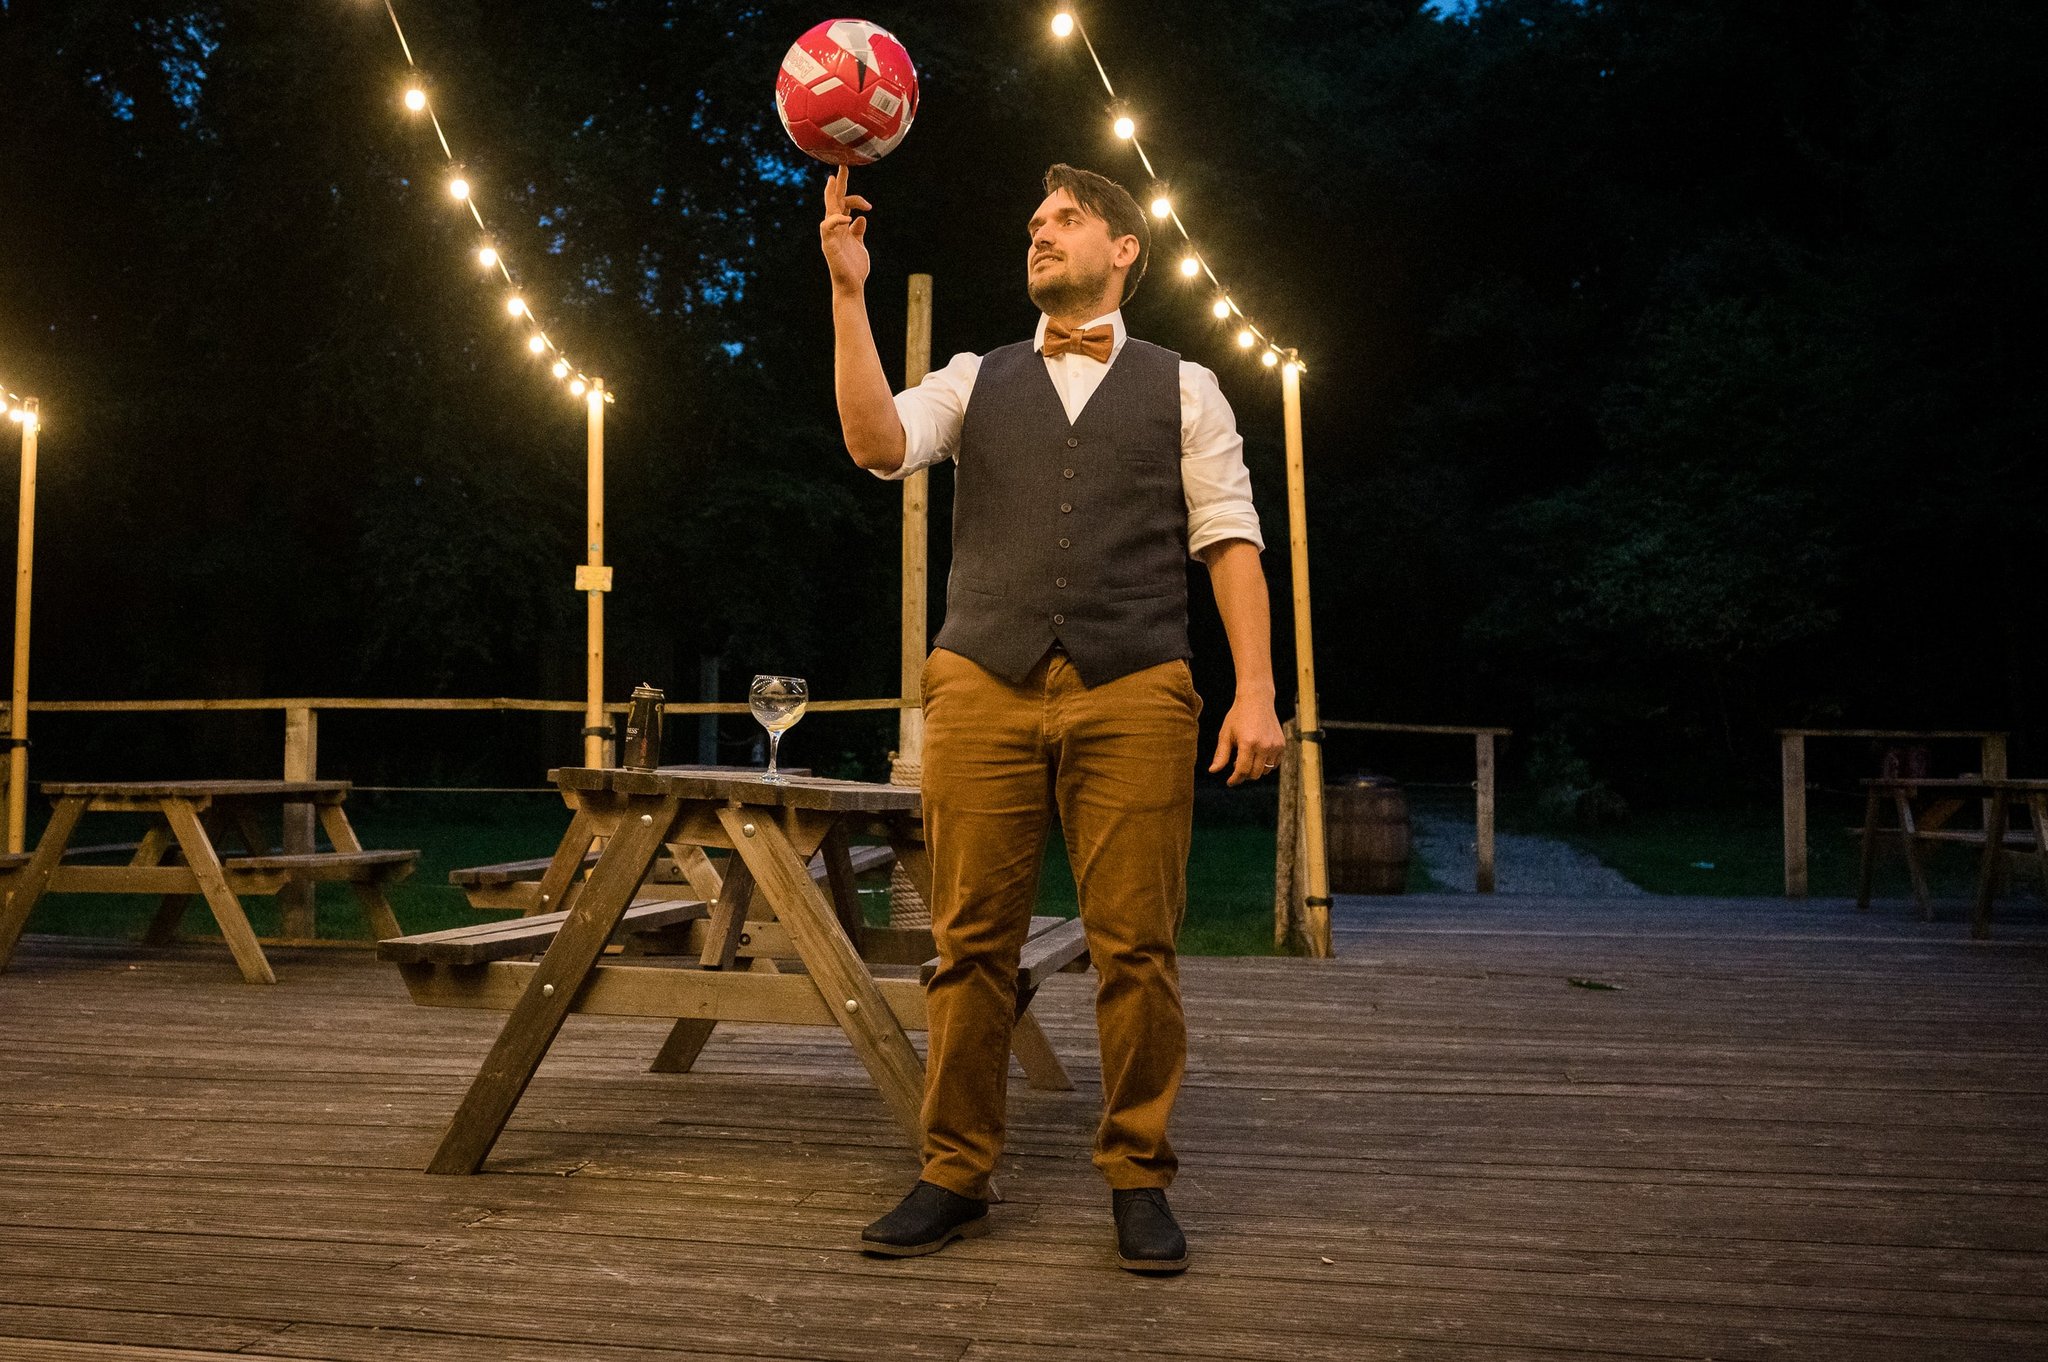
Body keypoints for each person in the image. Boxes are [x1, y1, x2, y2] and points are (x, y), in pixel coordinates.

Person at [820, 161, 1285, 1274]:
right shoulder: (976, 379)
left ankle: (1135, 1175)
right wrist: (847, 294)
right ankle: (952, 1172)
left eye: (1066, 219)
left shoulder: (1187, 386)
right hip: (980, 676)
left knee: (1136, 945)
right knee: (967, 939)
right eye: (1032, 220)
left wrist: (1258, 689)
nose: (1040, 232)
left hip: (1136, 683)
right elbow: (877, 445)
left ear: (1124, 250)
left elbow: (1229, 541)